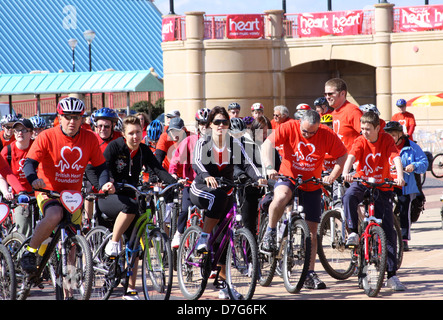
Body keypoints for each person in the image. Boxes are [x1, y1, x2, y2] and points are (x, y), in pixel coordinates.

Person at [21, 97, 115, 275]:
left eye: (77, 117)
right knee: (55, 214)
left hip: (73, 196)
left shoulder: (89, 138)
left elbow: (101, 167)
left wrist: (104, 185)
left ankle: (69, 288)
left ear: (82, 119)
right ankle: (30, 252)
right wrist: (34, 179)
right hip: (48, 190)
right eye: (68, 116)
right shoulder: (47, 136)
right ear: (60, 117)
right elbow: (29, 163)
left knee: (73, 242)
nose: (72, 121)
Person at [261, 109, 347, 289]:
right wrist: (269, 167)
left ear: (319, 127)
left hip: (312, 182)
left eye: (312, 132)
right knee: (282, 195)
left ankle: (309, 274)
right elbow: (267, 145)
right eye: (305, 132)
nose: (308, 135)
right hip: (288, 176)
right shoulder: (290, 126)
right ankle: (270, 231)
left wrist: (332, 175)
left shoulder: (326, 134)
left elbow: (342, 155)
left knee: (312, 233)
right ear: (300, 123)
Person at [95, 115, 177, 300]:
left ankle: (130, 290)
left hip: (130, 198)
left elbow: (158, 169)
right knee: (131, 206)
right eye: (131, 133)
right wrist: (106, 183)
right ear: (123, 134)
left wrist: (175, 182)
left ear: (142, 132)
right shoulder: (115, 147)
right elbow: (103, 167)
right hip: (110, 196)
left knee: (135, 246)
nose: (135, 137)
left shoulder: (143, 150)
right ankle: (113, 243)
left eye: (138, 132)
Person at [191, 106, 266, 298]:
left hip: (225, 189)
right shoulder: (203, 142)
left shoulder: (234, 143)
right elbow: (197, 162)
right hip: (202, 188)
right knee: (218, 197)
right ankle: (204, 237)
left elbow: (249, 163)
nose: (221, 125)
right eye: (217, 122)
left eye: (225, 122)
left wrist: (259, 177)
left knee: (225, 234)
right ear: (209, 125)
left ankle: (224, 284)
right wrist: (207, 175)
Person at [341, 111, 406, 291]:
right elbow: (352, 157)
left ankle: (392, 276)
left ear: (378, 128)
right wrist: (346, 172)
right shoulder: (360, 140)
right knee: (348, 196)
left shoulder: (386, 140)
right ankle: (353, 231)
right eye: (362, 128)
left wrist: (399, 176)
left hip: (382, 186)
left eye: (368, 129)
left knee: (388, 231)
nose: (364, 132)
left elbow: (395, 157)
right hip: (362, 182)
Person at [384, 120, 428, 251]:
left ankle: (404, 240)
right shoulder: (384, 146)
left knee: (404, 209)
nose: (390, 138)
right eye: (388, 134)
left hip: (405, 185)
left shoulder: (412, 147)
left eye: (393, 135)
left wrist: (414, 166)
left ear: (400, 134)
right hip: (388, 184)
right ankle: (383, 237)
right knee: (383, 208)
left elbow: (424, 162)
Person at [169, 107, 210, 248]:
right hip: (190, 183)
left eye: (207, 124)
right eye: (202, 124)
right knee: (186, 209)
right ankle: (179, 233)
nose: (205, 127)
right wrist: (173, 173)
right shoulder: (189, 140)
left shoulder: (216, 142)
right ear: (198, 125)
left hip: (209, 185)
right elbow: (176, 159)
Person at [235, 115, 279, 235]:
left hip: (268, 187)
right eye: (261, 132)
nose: (264, 136)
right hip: (250, 186)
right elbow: (242, 165)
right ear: (254, 130)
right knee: (249, 224)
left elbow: (278, 166)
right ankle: (250, 252)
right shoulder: (244, 144)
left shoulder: (271, 146)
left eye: (267, 132)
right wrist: (244, 177)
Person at [0, 118, 35, 237]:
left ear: (31, 133)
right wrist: (6, 192)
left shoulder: (37, 147)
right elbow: (3, 175)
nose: (20, 133)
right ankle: (23, 254)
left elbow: (7, 172)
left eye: (24, 130)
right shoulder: (8, 151)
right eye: (17, 130)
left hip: (37, 193)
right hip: (19, 197)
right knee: (23, 228)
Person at [325, 78, 363, 152]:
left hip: (353, 160)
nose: (327, 97)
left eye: (330, 94)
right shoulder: (333, 113)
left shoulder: (352, 111)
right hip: (340, 159)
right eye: (325, 94)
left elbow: (366, 136)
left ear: (342, 93)